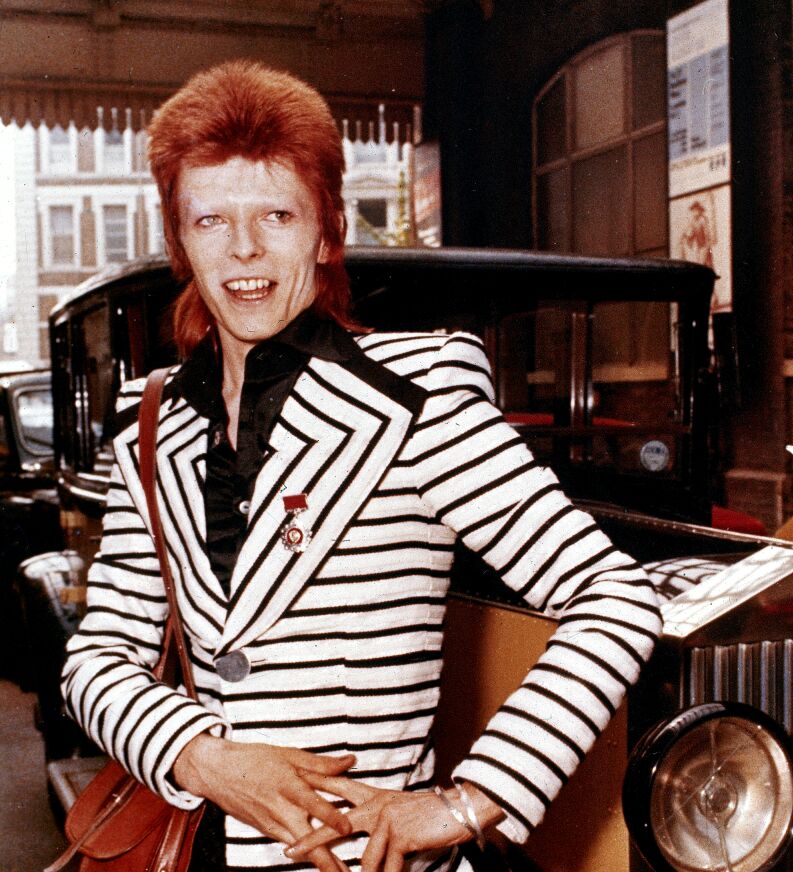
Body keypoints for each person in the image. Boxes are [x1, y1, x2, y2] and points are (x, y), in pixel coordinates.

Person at [61, 60, 662, 872]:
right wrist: (203, 758)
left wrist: (470, 800)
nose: (245, 249)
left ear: (326, 228)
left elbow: (613, 597)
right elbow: (98, 657)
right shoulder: (152, 418)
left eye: (276, 212)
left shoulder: (417, 397)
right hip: (198, 847)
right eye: (210, 221)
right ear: (179, 240)